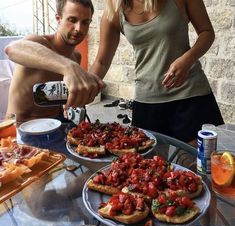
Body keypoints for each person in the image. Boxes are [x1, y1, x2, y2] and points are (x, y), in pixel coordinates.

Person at [90, 0, 224, 147]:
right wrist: (81, 90)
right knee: (150, 167)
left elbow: (207, 32)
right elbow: (101, 62)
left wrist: (187, 59)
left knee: (194, 165)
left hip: (190, 95)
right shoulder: (116, 8)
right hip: (147, 101)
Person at [4, 0, 104, 123]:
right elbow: (12, 49)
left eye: (85, 22)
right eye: (72, 20)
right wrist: (68, 67)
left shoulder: (76, 56)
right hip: (20, 129)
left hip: (57, 125)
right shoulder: (38, 43)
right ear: (58, 18)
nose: (79, 28)